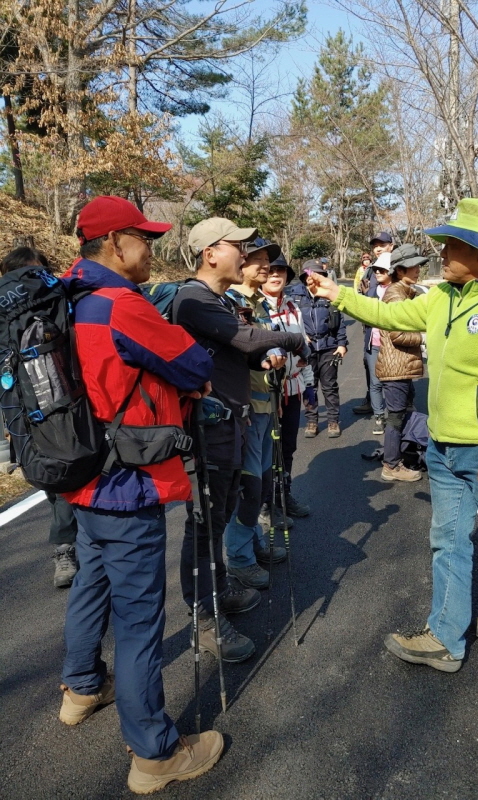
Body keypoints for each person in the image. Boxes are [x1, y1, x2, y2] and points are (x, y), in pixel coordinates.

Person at [307, 198, 478, 673]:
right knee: (448, 541)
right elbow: (392, 318)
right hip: (443, 447)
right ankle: (444, 637)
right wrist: (338, 295)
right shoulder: (440, 299)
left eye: (453, 244)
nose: (442, 251)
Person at [58, 196, 223, 794]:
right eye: (144, 238)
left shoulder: (64, 295)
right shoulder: (119, 304)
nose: (151, 249)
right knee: (137, 622)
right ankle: (155, 753)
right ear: (114, 244)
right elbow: (192, 361)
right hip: (127, 481)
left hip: (78, 472)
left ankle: (79, 689)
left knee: (89, 583)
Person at [173, 218, 308, 661]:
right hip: (206, 430)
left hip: (231, 422)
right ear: (211, 252)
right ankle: (205, 620)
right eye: (239, 246)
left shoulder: (216, 300)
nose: (248, 256)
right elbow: (247, 339)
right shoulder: (194, 300)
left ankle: (219, 587)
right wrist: (292, 338)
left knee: (222, 513)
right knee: (204, 526)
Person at [0, 246, 80, 588]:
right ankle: (66, 548)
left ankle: (68, 547)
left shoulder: (59, 300)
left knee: (65, 475)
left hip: (63, 403)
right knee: (54, 480)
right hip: (28, 409)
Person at [224, 238, 290, 590]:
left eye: (269, 260)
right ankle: (239, 557)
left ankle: (251, 541)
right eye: (259, 259)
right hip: (246, 408)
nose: (266, 265)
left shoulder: (259, 304)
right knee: (249, 485)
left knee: (263, 480)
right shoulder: (230, 303)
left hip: (267, 404)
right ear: (241, 261)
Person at [260, 253, 313, 518]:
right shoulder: (257, 307)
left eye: (280, 271)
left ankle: (284, 495)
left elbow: (304, 348)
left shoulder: (293, 307)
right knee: (268, 450)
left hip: (292, 390)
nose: (276, 275)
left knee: (288, 448)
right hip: (268, 392)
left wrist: (309, 385)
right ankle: (266, 504)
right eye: (270, 271)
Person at [376, 244, 428, 483]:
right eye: (412, 266)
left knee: (403, 413)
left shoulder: (406, 291)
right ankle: (391, 465)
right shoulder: (396, 295)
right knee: (396, 417)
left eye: (418, 265)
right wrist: (425, 336)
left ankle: (400, 455)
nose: (417, 269)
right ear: (399, 270)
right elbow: (398, 335)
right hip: (395, 367)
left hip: (401, 366)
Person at [287, 260, 348, 439]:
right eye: (309, 275)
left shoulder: (329, 296)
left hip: (329, 347)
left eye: (317, 275)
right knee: (309, 386)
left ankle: (333, 421)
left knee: (330, 386)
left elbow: (340, 322)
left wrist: (342, 344)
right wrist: (300, 336)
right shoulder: (295, 296)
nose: (312, 279)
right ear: (304, 277)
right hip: (307, 349)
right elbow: (290, 320)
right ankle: (312, 421)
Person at [354, 231, 394, 415]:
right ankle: (372, 401)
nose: (378, 248)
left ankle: (406, 405)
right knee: (370, 367)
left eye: (382, 245)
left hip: (394, 330)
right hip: (372, 330)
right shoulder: (370, 269)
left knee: (399, 370)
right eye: (375, 245)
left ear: (391, 246)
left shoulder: (398, 266)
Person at [361, 252, 389, 436]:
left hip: (393, 345)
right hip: (373, 343)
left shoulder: (399, 290)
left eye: (381, 269)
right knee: (375, 382)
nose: (377, 272)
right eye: (375, 269)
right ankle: (379, 415)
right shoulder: (371, 290)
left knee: (393, 383)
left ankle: (396, 416)